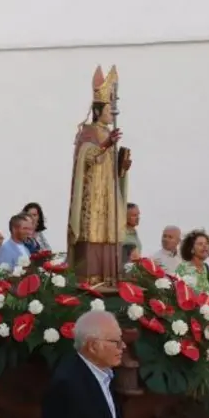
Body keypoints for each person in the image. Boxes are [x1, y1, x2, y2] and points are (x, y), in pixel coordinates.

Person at [67, 65, 130, 287]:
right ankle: (90, 277)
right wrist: (105, 145)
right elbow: (85, 157)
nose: (112, 112)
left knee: (109, 230)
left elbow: (110, 167)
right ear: (98, 110)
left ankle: (110, 276)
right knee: (93, 230)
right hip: (93, 192)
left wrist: (122, 168)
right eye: (109, 108)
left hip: (108, 191)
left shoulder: (108, 133)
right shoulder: (88, 131)